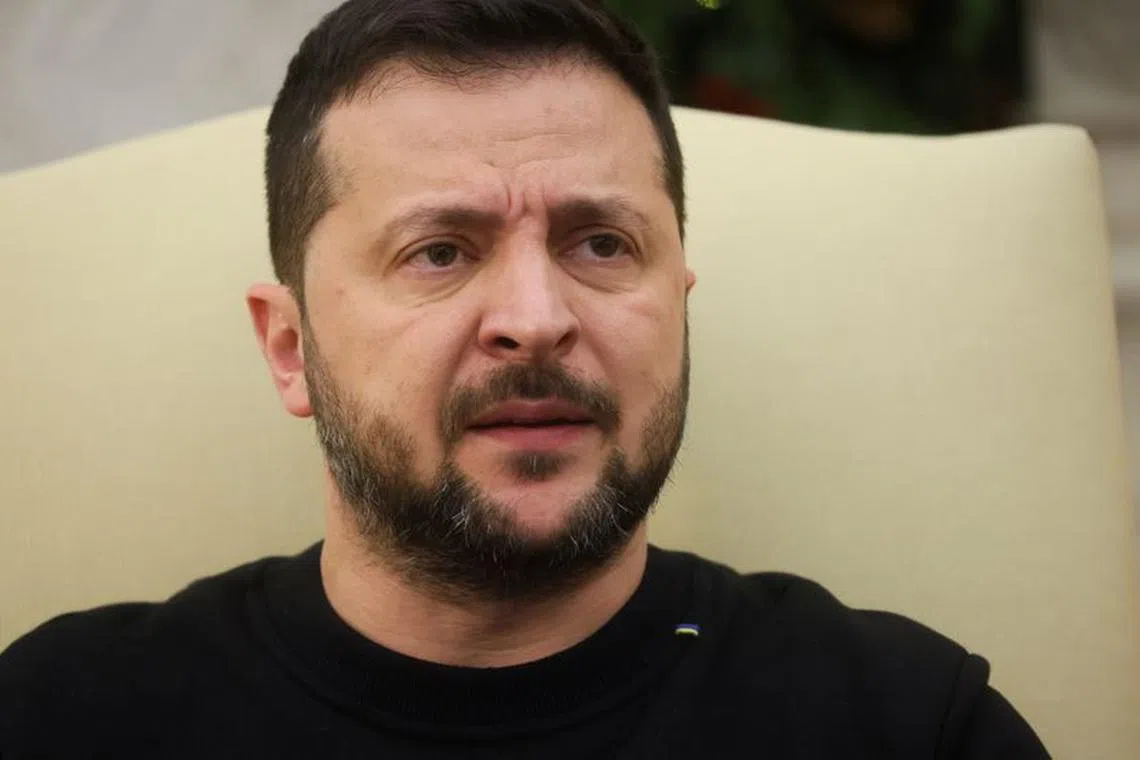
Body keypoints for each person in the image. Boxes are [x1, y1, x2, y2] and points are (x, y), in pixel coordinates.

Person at [0, 1, 1051, 757]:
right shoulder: (62, 716)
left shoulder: (908, 724)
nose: (537, 320)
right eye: (439, 251)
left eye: (600, 243)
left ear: (677, 306)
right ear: (291, 349)